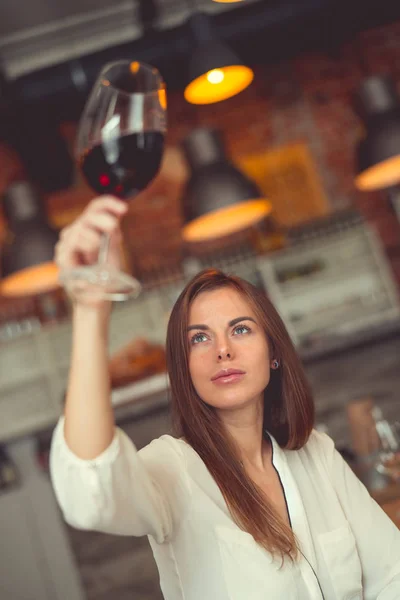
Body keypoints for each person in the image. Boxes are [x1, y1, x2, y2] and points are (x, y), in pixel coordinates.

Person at [50, 196, 400, 600]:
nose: (222, 350)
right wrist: (91, 309)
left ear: (273, 353)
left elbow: (390, 574)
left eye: (241, 329)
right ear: (185, 367)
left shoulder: (317, 454)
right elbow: (91, 492)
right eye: (199, 337)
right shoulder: (171, 470)